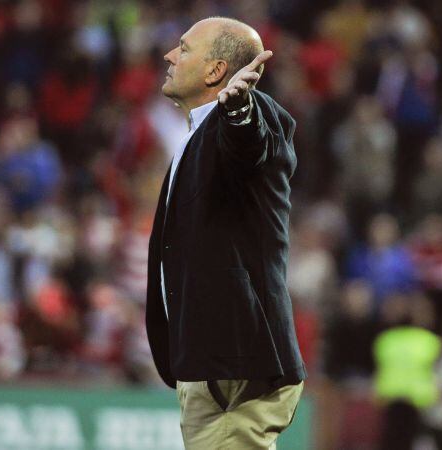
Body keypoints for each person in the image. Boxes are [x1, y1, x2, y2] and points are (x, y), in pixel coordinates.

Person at [145, 17, 307, 449]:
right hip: (211, 365)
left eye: (183, 48)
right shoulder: (195, 135)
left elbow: (251, 146)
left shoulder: (252, 117)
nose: (169, 56)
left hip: (236, 367)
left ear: (216, 71)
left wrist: (238, 108)